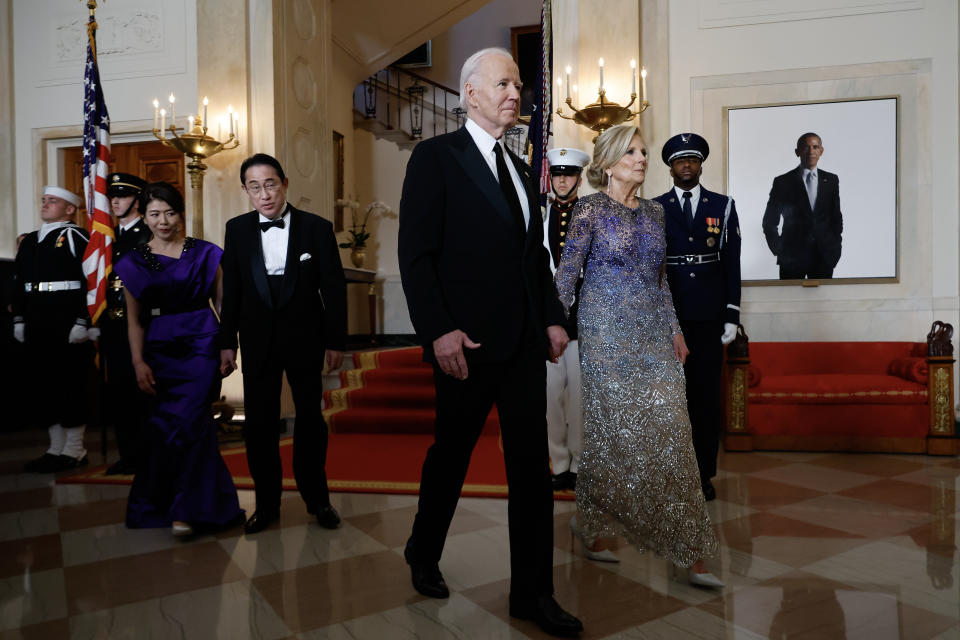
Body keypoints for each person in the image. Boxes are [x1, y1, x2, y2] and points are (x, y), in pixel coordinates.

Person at [398, 47, 583, 638]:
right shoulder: (435, 158)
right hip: (466, 345)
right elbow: (416, 254)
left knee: (531, 470)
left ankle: (533, 593)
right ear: (470, 93)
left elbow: (534, 260)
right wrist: (438, 330)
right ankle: (423, 550)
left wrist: (553, 318)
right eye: (504, 83)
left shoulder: (524, 167)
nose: (516, 93)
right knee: (450, 455)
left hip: (524, 345)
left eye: (519, 84)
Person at [555, 124, 723, 588]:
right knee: (614, 435)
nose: (643, 158)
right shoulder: (589, 210)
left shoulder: (654, 213)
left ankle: (689, 547)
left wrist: (675, 330)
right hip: (604, 332)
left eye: (644, 152)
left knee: (673, 428)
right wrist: (551, 326)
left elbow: (661, 279)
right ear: (608, 162)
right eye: (632, 152)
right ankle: (593, 526)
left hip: (652, 333)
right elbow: (568, 273)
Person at [219, 153, 347, 535]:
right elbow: (234, 291)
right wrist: (227, 342)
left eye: (270, 184)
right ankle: (267, 504)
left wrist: (335, 340)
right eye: (254, 187)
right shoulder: (237, 229)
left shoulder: (316, 228)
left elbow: (334, 290)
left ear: (285, 183)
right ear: (245, 191)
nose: (264, 194)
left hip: (305, 337)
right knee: (259, 424)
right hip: (256, 339)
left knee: (310, 419)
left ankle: (318, 500)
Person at [114, 182, 243, 536]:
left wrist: (228, 345)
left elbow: (223, 304)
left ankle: (186, 510)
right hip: (159, 350)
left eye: (170, 213)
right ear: (144, 216)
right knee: (166, 429)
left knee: (192, 423)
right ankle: (204, 504)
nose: (163, 221)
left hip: (202, 345)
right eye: (155, 214)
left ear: (180, 214)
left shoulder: (206, 253)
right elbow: (134, 320)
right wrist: (138, 361)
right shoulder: (134, 261)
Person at [652, 133, 741, 502]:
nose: (686, 166)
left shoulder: (722, 205)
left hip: (707, 319)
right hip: (669, 319)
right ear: (670, 167)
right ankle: (673, 473)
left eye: (692, 160)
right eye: (679, 161)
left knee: (704, 400)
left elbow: (731, 264)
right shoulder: (653, 208)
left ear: (700, 165)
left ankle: (703, 474)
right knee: (671, 400)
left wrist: (731, 315)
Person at [15, 186, 94, 473]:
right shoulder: (31, 240)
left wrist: (83, 320)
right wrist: (19, 319)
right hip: (38, 320)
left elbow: (91, 282)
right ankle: (55, 448)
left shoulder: (76, 236)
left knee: (70, 383)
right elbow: (20, 282)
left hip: (67, 319)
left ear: (70, 209)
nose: (45, 204)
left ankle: (75, 449)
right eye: (44, 200)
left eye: (53, 201)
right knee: (44, 384)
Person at [543, 146, 590, 493]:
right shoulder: (539, 213)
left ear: (579, 177)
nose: (562, 180)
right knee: (549, 398)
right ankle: (557, 462)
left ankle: (577, 462)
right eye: (557, 174)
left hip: (581, 320)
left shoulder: (592, 213)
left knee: (578, 399)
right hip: (547, 318)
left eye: (569, 174)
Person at [100, 172, 151, 475]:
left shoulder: (146, 234)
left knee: (140, 392)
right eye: (112, 196)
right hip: (112, 325)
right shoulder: (107, 238)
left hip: (140, 325)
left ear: (137, 200)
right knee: (118, 392)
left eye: (122, 196)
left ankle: (145, 453)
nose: (115, 201)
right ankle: (128, 454)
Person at [761, 132, 843, 279]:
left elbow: (836, 217)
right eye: (806, 147)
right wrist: (779, 250)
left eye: (815, 147)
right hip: (791, 259)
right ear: (797, 151)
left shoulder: (831, 180)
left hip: (824, 257)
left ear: (821, 151)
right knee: (790, 300)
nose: (811, 151)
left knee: (821, 301)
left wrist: (835, 248)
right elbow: (769, 221)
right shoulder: (783, 182)